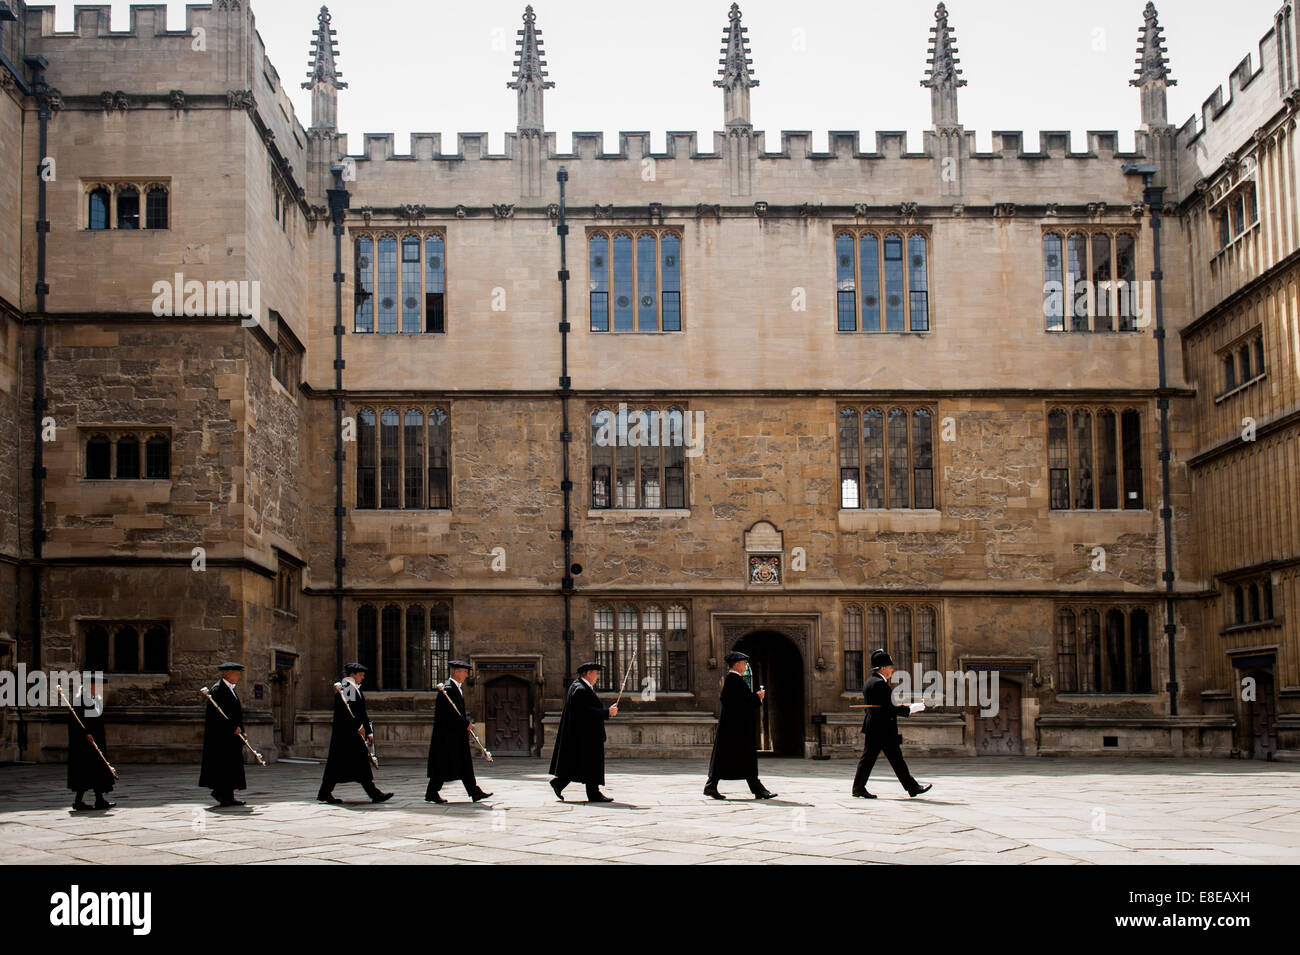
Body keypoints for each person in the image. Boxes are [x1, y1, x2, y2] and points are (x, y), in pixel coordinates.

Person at [851, 649, 932, 799]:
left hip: (875, 727)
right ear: (882, 668)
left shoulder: (870, 682)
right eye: (890, 667)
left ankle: (858, 787)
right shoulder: (879, 684)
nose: (892, 670)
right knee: (894, 759)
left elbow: (883, 706)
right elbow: (890, 708)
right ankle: (912, 787)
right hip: (883, 729)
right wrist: (911, 709)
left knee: (872, 758)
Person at [704, 650, 777, 800]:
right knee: (741, 758)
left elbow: (738, 701)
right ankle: (756, 789)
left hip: (734, 729)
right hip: (735, 730)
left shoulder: (735, 680)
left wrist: (755, 698)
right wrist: (757, 698)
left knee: (732, 758)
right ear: (737, 664)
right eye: (744, 663)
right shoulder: (733, 680)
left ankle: (713, 786)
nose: (745, 666)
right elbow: (735, 702)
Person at [318, 663, 392, 804]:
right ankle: (374, 794)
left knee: (347, 765)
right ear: (353, 674)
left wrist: (368, 731)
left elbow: (361, 713)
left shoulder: (353, 689)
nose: (363, 678)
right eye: (361, 675)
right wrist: (358, 727)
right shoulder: (347, 689)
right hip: (347, 736)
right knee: (351, 765)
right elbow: (346, 713)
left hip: (353, 734)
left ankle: (325, 792)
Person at [548, 662, 617, 803]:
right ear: (589, 673)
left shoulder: (580, 686)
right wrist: (607, 712)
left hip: (584, 734)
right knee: (588, 763)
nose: (597, 677)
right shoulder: (580, 689)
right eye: (596, 674)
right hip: (585, 736)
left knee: (581, 764)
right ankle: (593, 793)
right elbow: (585, 712)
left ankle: (560, 783)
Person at [426, 660, 492, 803]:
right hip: (447, 736)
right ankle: (432, 792)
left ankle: (474, 792)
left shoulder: (455, 688)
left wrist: (464, 723)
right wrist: (465, 723)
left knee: (462, 764)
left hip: (455, 734)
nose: (466, 675)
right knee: (446, 765)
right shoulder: (448, 689)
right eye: (465, 672)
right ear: (457, 672)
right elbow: (448, 714)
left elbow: (456, 713)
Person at [199, 662, 248, 807]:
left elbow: (235, 714)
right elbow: (217, 716)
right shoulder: (218, 690)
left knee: (231, 767)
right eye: (236, 673)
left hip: (232, 736)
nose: (238, 676)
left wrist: (241, 730)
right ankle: (221, 793)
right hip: (222, 738)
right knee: (223, 766)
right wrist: (232, 727)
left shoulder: (230, 689)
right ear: (227, 673)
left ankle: (229, 796)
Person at [67, 675, 114, 811]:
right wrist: (85, 734)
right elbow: (76, 721)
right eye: (97, 685)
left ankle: (99, 800)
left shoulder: (95, 700)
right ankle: (78, 801)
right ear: (90, 686)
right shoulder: (80, 701)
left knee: (98, 772)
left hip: (97, 741)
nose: (100, 687)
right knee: (85, 772)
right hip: (85, 745)